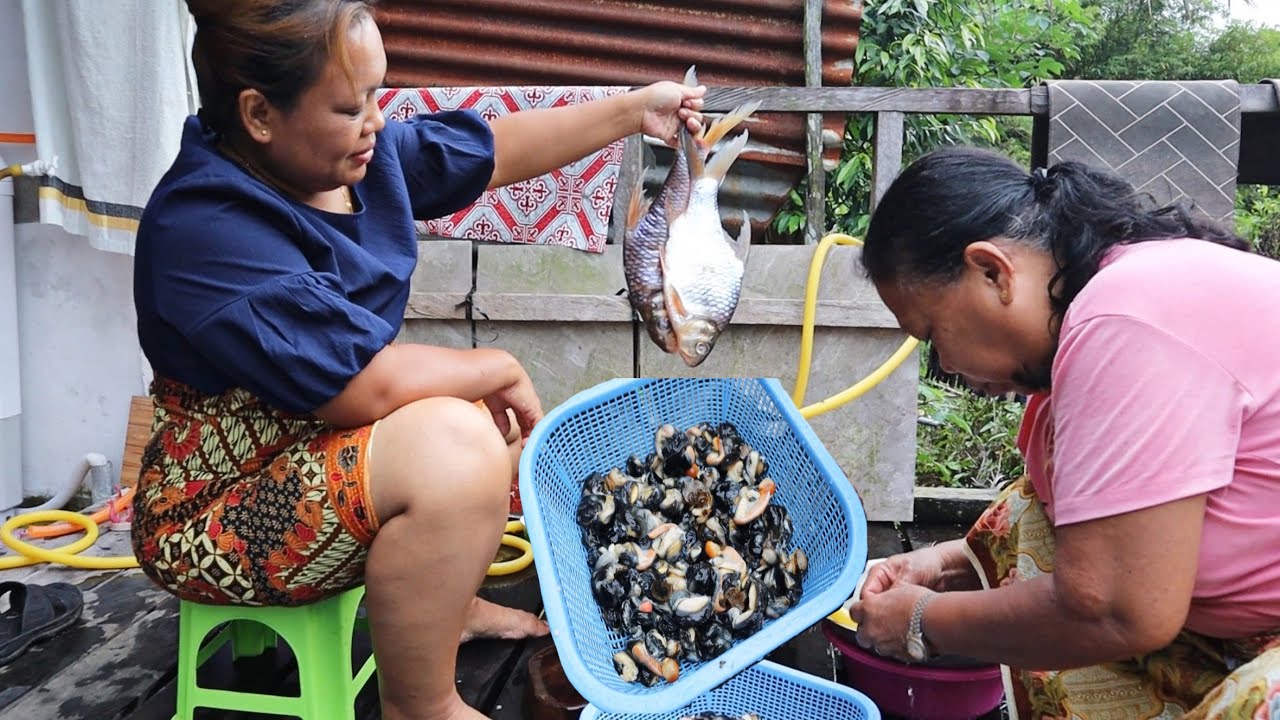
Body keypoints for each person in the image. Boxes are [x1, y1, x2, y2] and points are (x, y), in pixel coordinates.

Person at [129, 2, 705, 718]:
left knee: (460, 419)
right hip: (220, 510)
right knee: (458, 436)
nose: (376, 119)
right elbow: (360, 390)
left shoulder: (341, 161)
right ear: (258, 114)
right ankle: (421, 705)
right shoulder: (206, 223)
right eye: (350, 105)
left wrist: (632, 111)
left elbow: (490, 151)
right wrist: (495, 366)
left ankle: (444, 608)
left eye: (378, 93)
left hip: (310, 449)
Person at [847, 146, 1280, 719]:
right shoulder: (1117, 294)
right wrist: (947, 563)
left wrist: (921, 621)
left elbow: (1118, 609)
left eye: (931, 334)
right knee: (1030, 512)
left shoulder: (1120, 320)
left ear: (992, 271)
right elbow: (1111, 531)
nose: (946, 364)